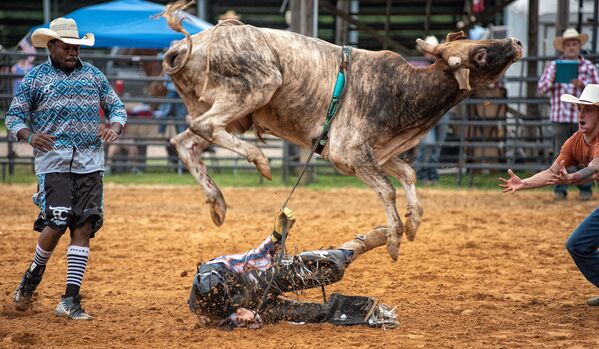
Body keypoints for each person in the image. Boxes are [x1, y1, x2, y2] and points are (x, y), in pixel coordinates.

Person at [4, 18, 127, 320]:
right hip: (53, 162)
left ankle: (69, 299)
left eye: (76, 47)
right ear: (52, 46)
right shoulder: (35, 79)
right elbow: (13, 116)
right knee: (57, 221)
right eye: (68, 47)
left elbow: (117, 107)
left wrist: (114, 127)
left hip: (90, 163)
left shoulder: (94, 76)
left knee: (84, 225)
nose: (73, 51)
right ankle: (34, 273)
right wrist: (29, 136)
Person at [188, 207, 399, 329]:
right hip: (258, 307)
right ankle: (367, 312)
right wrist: (241, 316)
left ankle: (359, 245)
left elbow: (255, 257)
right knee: (314, 314)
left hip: (259, 278)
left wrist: (277, 235)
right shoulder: (202, 305)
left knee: (325, 269)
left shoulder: (221, 266)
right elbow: (219, 322)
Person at [499, 84, 599, 307]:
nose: (581, 114)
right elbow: (552, 172)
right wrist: (524, 183)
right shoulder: (575, 141)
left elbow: (594, 167)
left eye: (588, 109)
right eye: (579, 109)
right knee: (577, 244)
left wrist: (572, 179)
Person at [537, 28, 599, 201]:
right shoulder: (553, 66)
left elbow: (598, 90)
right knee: (562, 155)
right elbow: (541, 88)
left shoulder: (589, 66)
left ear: (579, 46)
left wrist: (582, 84)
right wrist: (553, 79)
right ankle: (560, 189)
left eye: (574, 44)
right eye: (568, 45)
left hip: (584, 120)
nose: (571, 48)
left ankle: (585, 188)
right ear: (563, 48)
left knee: (585, 155)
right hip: (560, 116)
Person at [410, 35, 450, 184]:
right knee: (428, 143)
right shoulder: (416, 65)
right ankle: (421, 173)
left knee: (437, 144)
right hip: (425, 112)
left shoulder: (444, 66)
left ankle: (431, 174)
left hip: (442, 110)